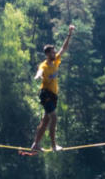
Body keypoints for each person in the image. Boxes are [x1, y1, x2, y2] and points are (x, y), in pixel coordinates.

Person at [26, 24, 75, 153]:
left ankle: (35, 144)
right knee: (54, 118)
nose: (55, 53)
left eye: (54, 52)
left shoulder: (56, 61)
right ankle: (54, 146)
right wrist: (38, 76)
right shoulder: (45, 65)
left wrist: (69, 34)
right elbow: (40, 71)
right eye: (52, 52)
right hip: (46, 94)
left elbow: (64, 48)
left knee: (46, 120)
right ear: (47, 54)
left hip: (53, 95)